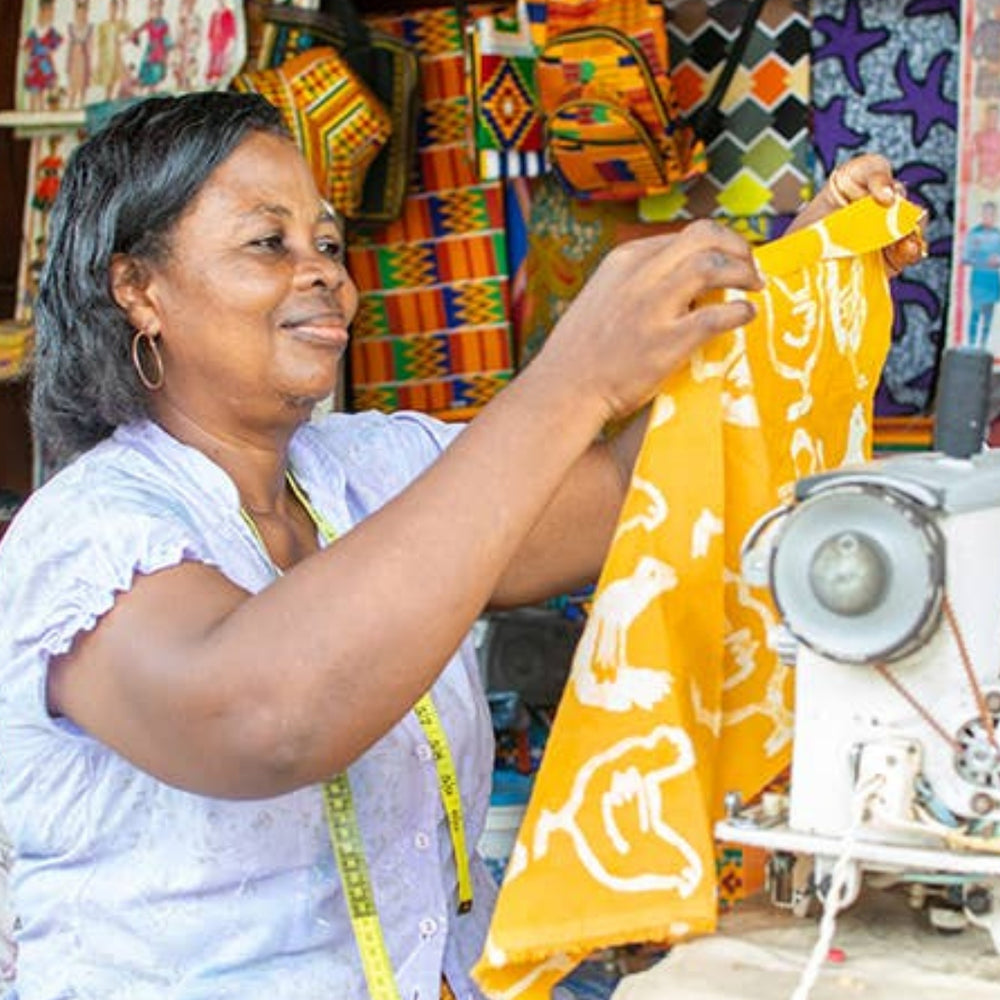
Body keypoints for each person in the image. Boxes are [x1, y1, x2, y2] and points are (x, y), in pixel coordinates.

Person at [0, 91, 920, 999]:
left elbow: (625, 493)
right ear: (139, 289)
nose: (322, 272)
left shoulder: (375, 471)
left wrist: (796, 275)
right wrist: (569, 383)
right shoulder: (89, 534)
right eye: (266, 242)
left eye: (326, 243)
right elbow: (263, 719)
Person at [963, 199, 1000, 350]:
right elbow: (966, 258)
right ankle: (972, 344)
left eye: (992, 214)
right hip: (978, 278)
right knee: (975, 313)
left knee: (989, 315)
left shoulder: (998, 235)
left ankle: (984, 345)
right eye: (986, 214)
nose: (989, 217)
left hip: (992, 279)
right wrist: (984, 260)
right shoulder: (974, 234)